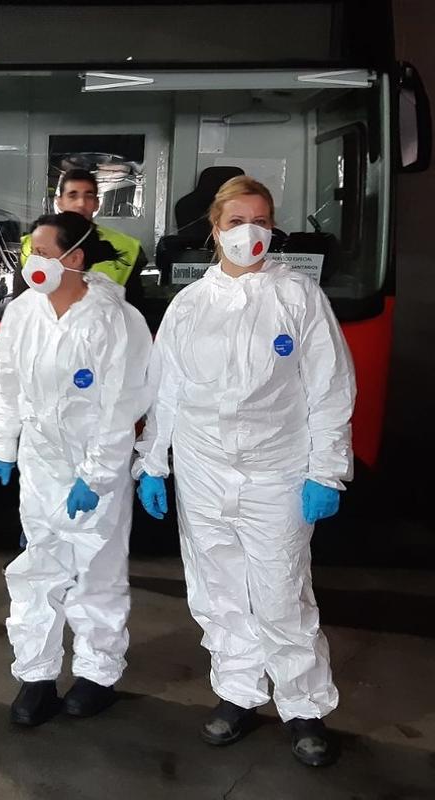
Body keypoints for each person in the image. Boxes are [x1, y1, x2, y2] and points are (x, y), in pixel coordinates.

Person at [134, 176, 354, 767]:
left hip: (278, 471)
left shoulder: (299, 297)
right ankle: (237, 692)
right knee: (219, 590)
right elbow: (167, 390)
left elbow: (329, 390)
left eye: (261, 221)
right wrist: (154, 463)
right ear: (214, 228)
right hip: (204, 471)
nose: (249, 233)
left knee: (282, 590)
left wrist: (325, 471)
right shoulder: (189, 305)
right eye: (236, 222)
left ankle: (304, 704)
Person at [0, 211, 152, 726]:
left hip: (92, 464)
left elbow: (123, 406)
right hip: (41, 461)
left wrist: (98, 476)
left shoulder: (116, 321)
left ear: (74, 259)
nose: (31, 260)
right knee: (39, 567)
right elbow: (8, 384)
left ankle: (97, 673)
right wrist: (2, 444)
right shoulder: (23, 312)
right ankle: (35, 674)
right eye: (29, 251)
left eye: (41, 250)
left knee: (97, 570)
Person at [21, 167, 147, 304]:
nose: (81, 203)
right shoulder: (31, 245)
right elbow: (21, 303)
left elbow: (133, 308)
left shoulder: (126, 247)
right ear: (59, 202)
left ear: (97, 204)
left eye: (88, 196)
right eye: (72, 195)